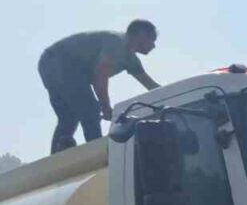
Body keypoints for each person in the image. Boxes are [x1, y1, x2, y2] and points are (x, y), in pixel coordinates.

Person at [38, 20, 162, 154]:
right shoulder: (117, 43)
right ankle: (99, 155)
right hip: (61, 62)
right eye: (152, 40)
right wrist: (106, 107)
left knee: (68, 117)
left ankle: (58, 155)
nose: (154, 46)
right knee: (90, 110)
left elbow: (151, 85)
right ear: (141, 35)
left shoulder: (130, 59)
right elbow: (100, 75)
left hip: (48, 63)